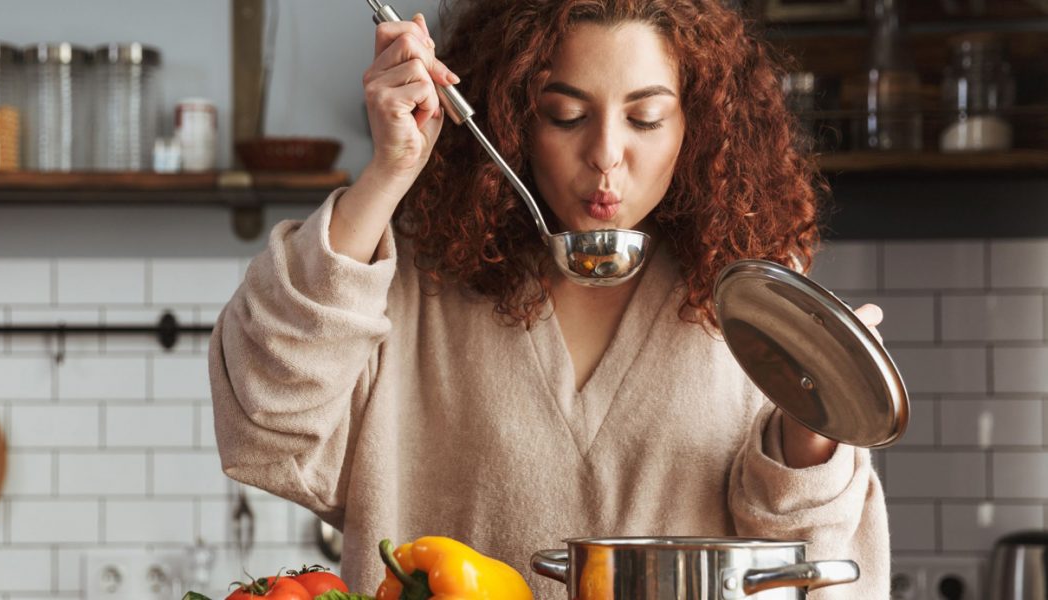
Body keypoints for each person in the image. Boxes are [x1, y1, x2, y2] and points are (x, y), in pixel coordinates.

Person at [209, 1, 889, 598]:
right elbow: (266, 422)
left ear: (699, 125)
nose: (605, 156)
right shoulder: (415, 276)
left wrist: (814, 429)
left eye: (646, 119)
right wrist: (390, 173)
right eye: (565, 115)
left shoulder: (758, 301)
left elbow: (819, 568)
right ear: (510, 118)